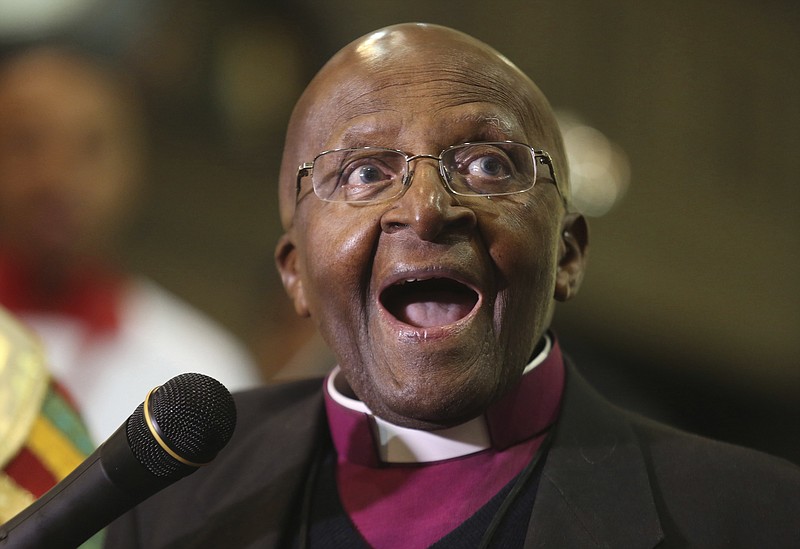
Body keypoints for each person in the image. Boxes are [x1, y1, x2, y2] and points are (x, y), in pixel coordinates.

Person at [104, 23, 800, 548]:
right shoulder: (167, 494)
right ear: (296, 274)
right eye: (365, 172)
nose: (428, 206)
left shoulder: (755, 515)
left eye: (489, 166)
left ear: (567, 254)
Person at [0, 46, 262, 443]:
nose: (55, 177)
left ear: (134, 166)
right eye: (25, 142)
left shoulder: (201, 373)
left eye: (91, 148)